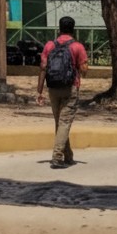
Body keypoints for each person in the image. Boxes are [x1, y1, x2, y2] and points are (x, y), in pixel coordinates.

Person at [36, 16, 89, 169]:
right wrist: (82, 68)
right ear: (73, 29)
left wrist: (39, 91)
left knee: (60, 123)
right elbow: (84, 70)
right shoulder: (77, 47)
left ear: (59, 29)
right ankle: (57, 157)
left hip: (53, 89)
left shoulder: (49, 45)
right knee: (64, 123)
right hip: (70, 88)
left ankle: (68, 156)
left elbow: (43, 68)